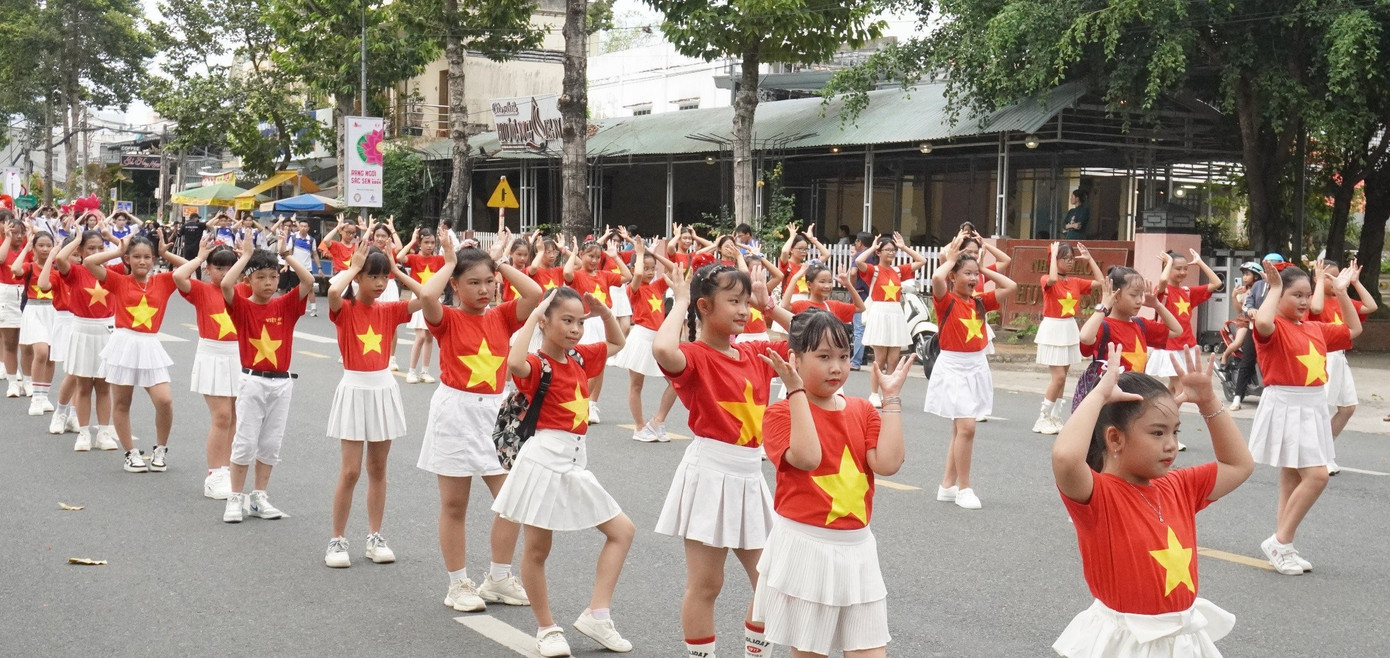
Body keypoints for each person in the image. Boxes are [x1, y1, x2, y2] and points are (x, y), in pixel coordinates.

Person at [1050, 347, 1254, 657]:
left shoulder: (1178, 486)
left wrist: (1208, 402)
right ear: (1115, 439)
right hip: (1127, 643)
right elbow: (1065, 457)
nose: (1171, 444)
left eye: (1175, 431)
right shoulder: (1098, 496)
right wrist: (1100, 395)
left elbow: (1239, 465)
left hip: (1181, 640)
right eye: (1157, 433)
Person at [653, 261, 794, 658]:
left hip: (751, 476)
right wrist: (679, 301)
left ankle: (756, 654)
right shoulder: (695, 356)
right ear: (704, 306)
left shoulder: (756, 351)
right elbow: (663, 348)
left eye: (745, 302)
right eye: (733, 301)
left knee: (773, 580)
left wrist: (770, 307)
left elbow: (814, 336)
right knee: (706, 584)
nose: (743, 310)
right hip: (711, 472)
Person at [756, 310, 912, 658]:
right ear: (795, 359)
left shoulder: (861, 409)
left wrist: (891, 399)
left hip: (859, 550)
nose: (837, 367)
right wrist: (796, 389)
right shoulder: (780, 413)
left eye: (843, 357)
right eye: (823, 357)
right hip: (808, 547)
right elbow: (808, 458)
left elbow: (888, 464)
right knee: (810, 652)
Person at [495, 287, 636, 657]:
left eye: (579, 322)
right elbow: (513, 362)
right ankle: (547, 629)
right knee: (538, 549)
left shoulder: (579, 358)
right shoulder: (538, 364)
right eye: (567, 321)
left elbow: (618, 343)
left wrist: (605, 314)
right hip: (543, 461)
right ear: (546, 321)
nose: (575, 329)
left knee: (622, 531)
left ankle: (598, 614)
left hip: (574, 464)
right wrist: (533, 314)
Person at [416, 234, 540, 612]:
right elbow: (425, 298)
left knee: (511, 499)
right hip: (455, 411)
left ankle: (498, 578)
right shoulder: (446, 318)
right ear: (455, 284)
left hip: (496, 413)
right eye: (474, 282)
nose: (484, 289)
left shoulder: (502, 316)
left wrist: (499, 262)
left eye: (489, 282)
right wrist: (451, 261)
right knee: (455, 504)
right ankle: (458, 584)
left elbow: (534, 296)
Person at [1248, 261, 1360, 575]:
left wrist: (1340, 291)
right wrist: (1272, 290)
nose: (1302, 301)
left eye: (1307, 295)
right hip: (1286, 403)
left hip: (1311, 406)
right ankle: (1279, 541)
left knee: (1292, 479)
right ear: (1278, 294)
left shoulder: (1314, 327)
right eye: (1295, 294)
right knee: (1318, 476)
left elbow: (1354, 330)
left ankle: (1284, 545)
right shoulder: (1270, 327)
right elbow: (1265, 322)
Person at [322, 243, 424, 568]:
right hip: (354, 387)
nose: (379, 283)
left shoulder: (389, 309)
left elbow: (428, 298)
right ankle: (337, 540)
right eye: (373, 276)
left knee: (378, 469)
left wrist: (397, 271)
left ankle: (374, 536)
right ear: (359, 277)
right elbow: (333, 291)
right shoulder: (346, 309)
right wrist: (352, 268)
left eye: (383, 277)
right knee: (350, 471)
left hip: (383, 388)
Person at [220, 234, 313, 524]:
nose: (268, 283)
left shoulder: (285, 305)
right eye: (260, 277)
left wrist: (288, 254)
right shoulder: (244, 307)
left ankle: (259, 496)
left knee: (271, 443)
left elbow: (308, 282)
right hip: (253, 381)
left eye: (273, 277)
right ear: (248, 281)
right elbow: (225, 285)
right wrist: (245, 258)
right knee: (245, 441)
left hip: (281, 382)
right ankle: (235, 497)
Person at [923, 235, 1018, 509]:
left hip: (976, 365)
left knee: (959, 430)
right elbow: (937, 280)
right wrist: (950, 260)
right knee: (966, 427)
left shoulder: (979, 301)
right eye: (967, 274)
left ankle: (947, 485)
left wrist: (982, 268)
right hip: (953, 367)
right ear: (953, 276)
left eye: (975, 274)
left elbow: (1010, 286)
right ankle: (964, 487)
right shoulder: (946, 301)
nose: (973, 278)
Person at [83, 232, 188, 473]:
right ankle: (130, 453)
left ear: (153, 260)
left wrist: (166, 254)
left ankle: (160, 449)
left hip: (150, 344)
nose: (142, 261)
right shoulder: (119, 281)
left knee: (164, 400)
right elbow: (89, 263)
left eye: (148, 257)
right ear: (128, 260)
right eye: (137, 257)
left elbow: (188, 267)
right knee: (122, 402)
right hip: (125, 343)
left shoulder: (164, 281)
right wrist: (118, 251)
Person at [173, 237, 242, 499]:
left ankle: (227, 468)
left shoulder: (243, 290)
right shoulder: (201, 289)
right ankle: (214, 475)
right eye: (218, 267)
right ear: (209, 269)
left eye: (229, 268)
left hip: (239, 356)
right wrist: (199, 257)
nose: (224, 273)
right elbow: (179, 276)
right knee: (222, 416)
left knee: (235, 416)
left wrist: (244, 257)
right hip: (213, 354)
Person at [1074, 268, 1182, 409]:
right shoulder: (1104, 326)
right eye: (1133, 295)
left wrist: (1157, 305)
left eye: (1141, 295)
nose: (1139, 300)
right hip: (1110, 401)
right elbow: (1085, 337)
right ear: (1116, 295)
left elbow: (1176, 331)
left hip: (1136, 397)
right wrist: (1104, 305)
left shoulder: (1140, 324)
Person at [52, 229, 119, 451]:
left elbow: (127, 253)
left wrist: (111, 239)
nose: (97, 252)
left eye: (100, 248)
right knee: (83, 386)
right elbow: (60, 258)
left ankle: (103, 432)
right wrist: (77, 240)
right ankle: (83, 433)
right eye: (91, 248)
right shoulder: (75, 272)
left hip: (106, 331)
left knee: (103, 386)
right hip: (81, 330)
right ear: (80, 251)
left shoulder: (113, 271)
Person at [1309, 258, 1374, 474]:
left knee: (1347, 408)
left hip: (1339, 356)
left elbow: (1370, 306)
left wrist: (1354, 282)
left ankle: (1324, 451)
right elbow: (1316, 307)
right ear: (1318, 277)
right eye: (1330, 276)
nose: (1335, 279)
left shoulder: (1341, 299)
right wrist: (1319, 281)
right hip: (1321, 356)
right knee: (1323, 409)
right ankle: (1320, 456)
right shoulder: (1311, 299)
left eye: (1337, 275)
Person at [613, 238, 679, 443]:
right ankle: (639, 427)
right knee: (636, 385)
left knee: (677, 382)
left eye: (653, 268)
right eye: (646, 268)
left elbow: (675, 269)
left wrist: (656, 255)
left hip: (659, 339)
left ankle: (658, 421)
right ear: (634, 267)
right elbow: (639, 274)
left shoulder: (658, 286)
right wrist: (640, 254)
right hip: (641, 337)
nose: (650, 272)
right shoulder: (633, 288)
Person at [1033, 242, 1103, 435]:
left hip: (1069, 327)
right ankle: (1043, 416)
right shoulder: (1046, 278)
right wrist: (1054, 253)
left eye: (1072, 258)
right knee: (1059, 377)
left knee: (1063, 379)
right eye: (1065, 258)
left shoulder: (1075, 282)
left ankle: (1055, 417)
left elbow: (1101, 282)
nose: (1070, 262)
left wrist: (1090, 260)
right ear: (1054, 260)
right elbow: (1053, 279)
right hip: (1053, 328)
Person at [562, 235, 631, 425]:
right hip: (586, 322)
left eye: (597, 257)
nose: (593, 260)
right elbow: (567, 273)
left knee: (600, 364)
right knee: (583, 362)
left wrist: (615, 257)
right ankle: (580, 399)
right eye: (589, 256)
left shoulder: (604, 275)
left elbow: (628, 276)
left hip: (603, 321)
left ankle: (592, 404)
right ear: (582, 255)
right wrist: (572, 252)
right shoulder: (578, 275)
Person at [855, 232, 928, 407]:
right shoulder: (873, 270)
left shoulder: (898, 270)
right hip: (880, 313)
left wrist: (904, 247)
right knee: (879, 359)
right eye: (887, 250)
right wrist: (873, 247)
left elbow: (922, 261)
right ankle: (873, 393)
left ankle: (888, 392)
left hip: (896, 314)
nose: (891, 253)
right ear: (879, 253)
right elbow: (859, 262)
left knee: (893, 359)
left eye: (893, 250)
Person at [1149, 250, 1224, 389]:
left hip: (1186, 344)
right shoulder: (1162, 291)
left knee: (1174, 385)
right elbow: (1163, 280)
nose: (1183, 272)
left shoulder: (1187, 292)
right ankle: (1171, 411)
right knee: (1181, 386)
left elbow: (1217, 283)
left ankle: (1168, 410)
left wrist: (1200, 262)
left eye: (1185, 268)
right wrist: (1169, 261)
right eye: (1178, 268)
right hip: (1169, 345)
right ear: (1168, 267)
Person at [12, 229, 57, 415]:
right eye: (41, 245)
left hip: (53, 311)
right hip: (34, 310)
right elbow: (15, 269)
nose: (45, 249)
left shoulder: (57, 268)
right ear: (34, 247)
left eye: (49, 245)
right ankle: (36, 398)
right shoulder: (30, 266)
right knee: (41, 352)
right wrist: (26, 248)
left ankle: (44, 395)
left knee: (51, 356)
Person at [1231, 254, 1282, 410]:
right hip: (1254, 329)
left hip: (1277, 330)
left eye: (1276, 268)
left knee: (1276, 363)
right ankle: (1237, 397)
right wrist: (1251, 310)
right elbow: (1247, 304)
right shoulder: (1258, 285)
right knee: (1247, 361)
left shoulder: (1285, 285)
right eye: (1269, 267)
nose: (1272, 271)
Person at [398, 227, 446, 384]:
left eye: (432, 242)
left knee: (430, 336)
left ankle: (425, 371)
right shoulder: (414, 258)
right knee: (420, 336)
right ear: (420, 243)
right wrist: (411, 241)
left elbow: (452, 260)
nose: (430, 246)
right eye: (426, 242)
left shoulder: (438, 259)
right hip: (418, 298)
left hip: (433, 298)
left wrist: (445, 243)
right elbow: (399, 256)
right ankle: (412, 371)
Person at [0, 212, 28, 397]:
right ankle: (12, 381)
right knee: (10, 340)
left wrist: (30, 237)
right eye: (15, 232)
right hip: (7, 292)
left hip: (26, 294)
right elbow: (1, 259)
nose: (18, 236)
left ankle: (28, 381)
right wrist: (7, 238)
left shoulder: (27, 245)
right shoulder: (4, 243)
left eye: (21, 232)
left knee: (27, 342)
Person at [850, 231, 875, 371]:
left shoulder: (859, 256)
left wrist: (852, 288)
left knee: (859, 328)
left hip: (860, 294)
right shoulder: (875, 256)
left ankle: (856, 361)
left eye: (856, 242)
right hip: (874, 295)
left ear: (860, 242)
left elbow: (853, 273)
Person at [286, 217, 321, 316]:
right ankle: (293, 308)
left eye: (305, 226)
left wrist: (319, 268)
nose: (303, 228)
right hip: (294, 268)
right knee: (294, 289)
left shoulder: (311, 240)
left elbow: (314, 254)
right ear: (298, 227)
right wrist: (287, 265)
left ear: (308, 228)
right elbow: (288, 253)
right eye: (301, 226)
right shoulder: (293, 238)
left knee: (310, 289)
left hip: (307, 268)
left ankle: (313, 309)